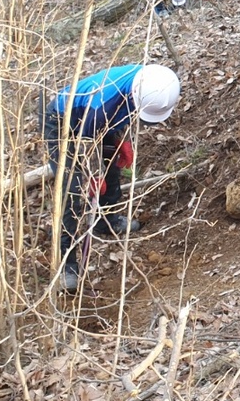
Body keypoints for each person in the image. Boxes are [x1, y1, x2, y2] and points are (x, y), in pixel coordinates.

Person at [44, 63, 180, 292]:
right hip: (63, 121)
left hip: (99, 123)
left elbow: (124, 113)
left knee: (113, 165)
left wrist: (121, 141)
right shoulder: (101, 103)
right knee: (71, 188)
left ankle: (105, 222)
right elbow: (87, 142)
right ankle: (67, 264)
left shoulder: (156, 83)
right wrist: (92, 175)